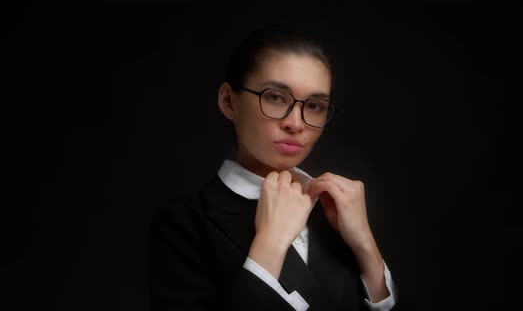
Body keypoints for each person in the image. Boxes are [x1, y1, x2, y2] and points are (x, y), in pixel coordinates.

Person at [148, 24, 402, 310]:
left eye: (315, 105)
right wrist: (270, 243)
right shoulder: (185, 224)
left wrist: (366, 247)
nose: (296, 122)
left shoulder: (339, 211)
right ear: (229, 101)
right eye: (275, 97)